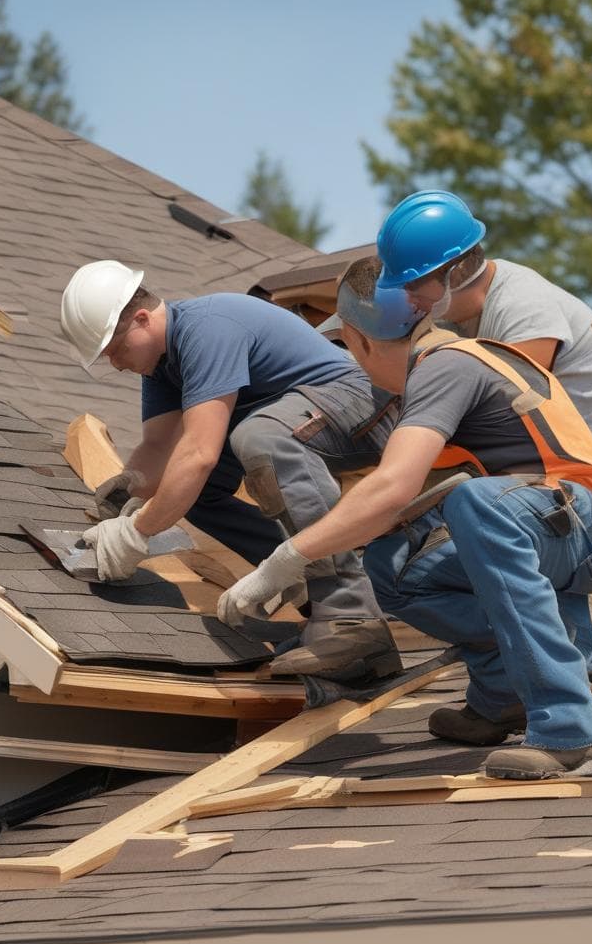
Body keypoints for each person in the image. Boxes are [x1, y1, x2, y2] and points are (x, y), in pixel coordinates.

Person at [218, 256, 592, 780]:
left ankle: (568, 732)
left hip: (589, 529)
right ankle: (503, 692)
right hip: (552, 525)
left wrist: (287, 558)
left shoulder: (445, 367)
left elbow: (393, 486)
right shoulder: (440, 366)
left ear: (357, 337)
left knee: (476, 506)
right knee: (396, 562)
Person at [58, 259, 401, 681]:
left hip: (360, 404)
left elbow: (200, 452)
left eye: (116, 350)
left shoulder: (206, 329)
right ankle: (320, 611)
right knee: (197, 493)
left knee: (258, 439)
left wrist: (136, 534)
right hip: (297, 421)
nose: (116, 365)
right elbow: (160, 446)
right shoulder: (163, 363)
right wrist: (131, 492)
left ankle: (350, 616)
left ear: (143, 319)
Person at [375, 190, 592, 457]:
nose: (408, 297)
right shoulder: (452, 318)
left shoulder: (524, 305)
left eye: (413, 284)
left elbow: (509, 407)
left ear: (454, 273)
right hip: (580, 451)